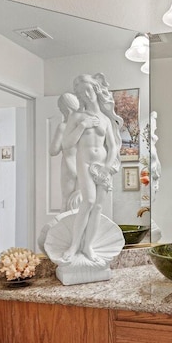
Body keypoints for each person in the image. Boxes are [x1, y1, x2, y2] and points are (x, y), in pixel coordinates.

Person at [61, 73, 123, 264]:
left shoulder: (105, 119)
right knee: (87, 201)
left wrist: (107, 166)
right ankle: (74, 246)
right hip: (85, 163)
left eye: (88, 89)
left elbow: (113, 146)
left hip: (102, 166)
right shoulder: (77, 117)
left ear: (95, 89)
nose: (86, 94)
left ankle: (88, 246)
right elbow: (67, 144)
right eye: (81, 92)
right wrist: (83, 126)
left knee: (97, 207)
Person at [49, 93, 80, 211]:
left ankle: (64, 228)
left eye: (60, 108)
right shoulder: (85, 127)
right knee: (82, 202)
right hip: (83, 168)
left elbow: (53, 151)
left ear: (65, 108)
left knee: (66, 202)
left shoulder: (63, 127)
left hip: (68, 167)